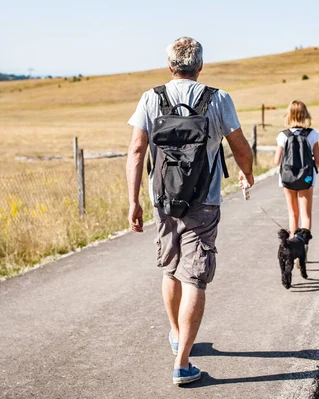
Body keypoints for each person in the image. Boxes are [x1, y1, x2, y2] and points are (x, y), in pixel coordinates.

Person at [126, 37, 254, 385]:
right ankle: (183, 362)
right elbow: (239, 146)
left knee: (170, 269)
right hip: (204, 200)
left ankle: (174, 333)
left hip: (162, 199)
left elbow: (137, 151)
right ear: (200, 66)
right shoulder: (218, 99)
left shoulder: (151, 98)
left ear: (170, 67)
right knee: (194, 276)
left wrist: (133, 201)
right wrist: (248, 173)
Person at [274, 100, 319, 236]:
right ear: (305, 114)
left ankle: (292, 244)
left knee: (293, 213)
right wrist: (308, 171)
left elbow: (276, 161)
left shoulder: (283, 135)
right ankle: (302, 246)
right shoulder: (312, 134)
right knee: (306, 215)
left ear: (289, 115)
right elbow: (317, 160)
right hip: (306, 178)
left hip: (287, 178)